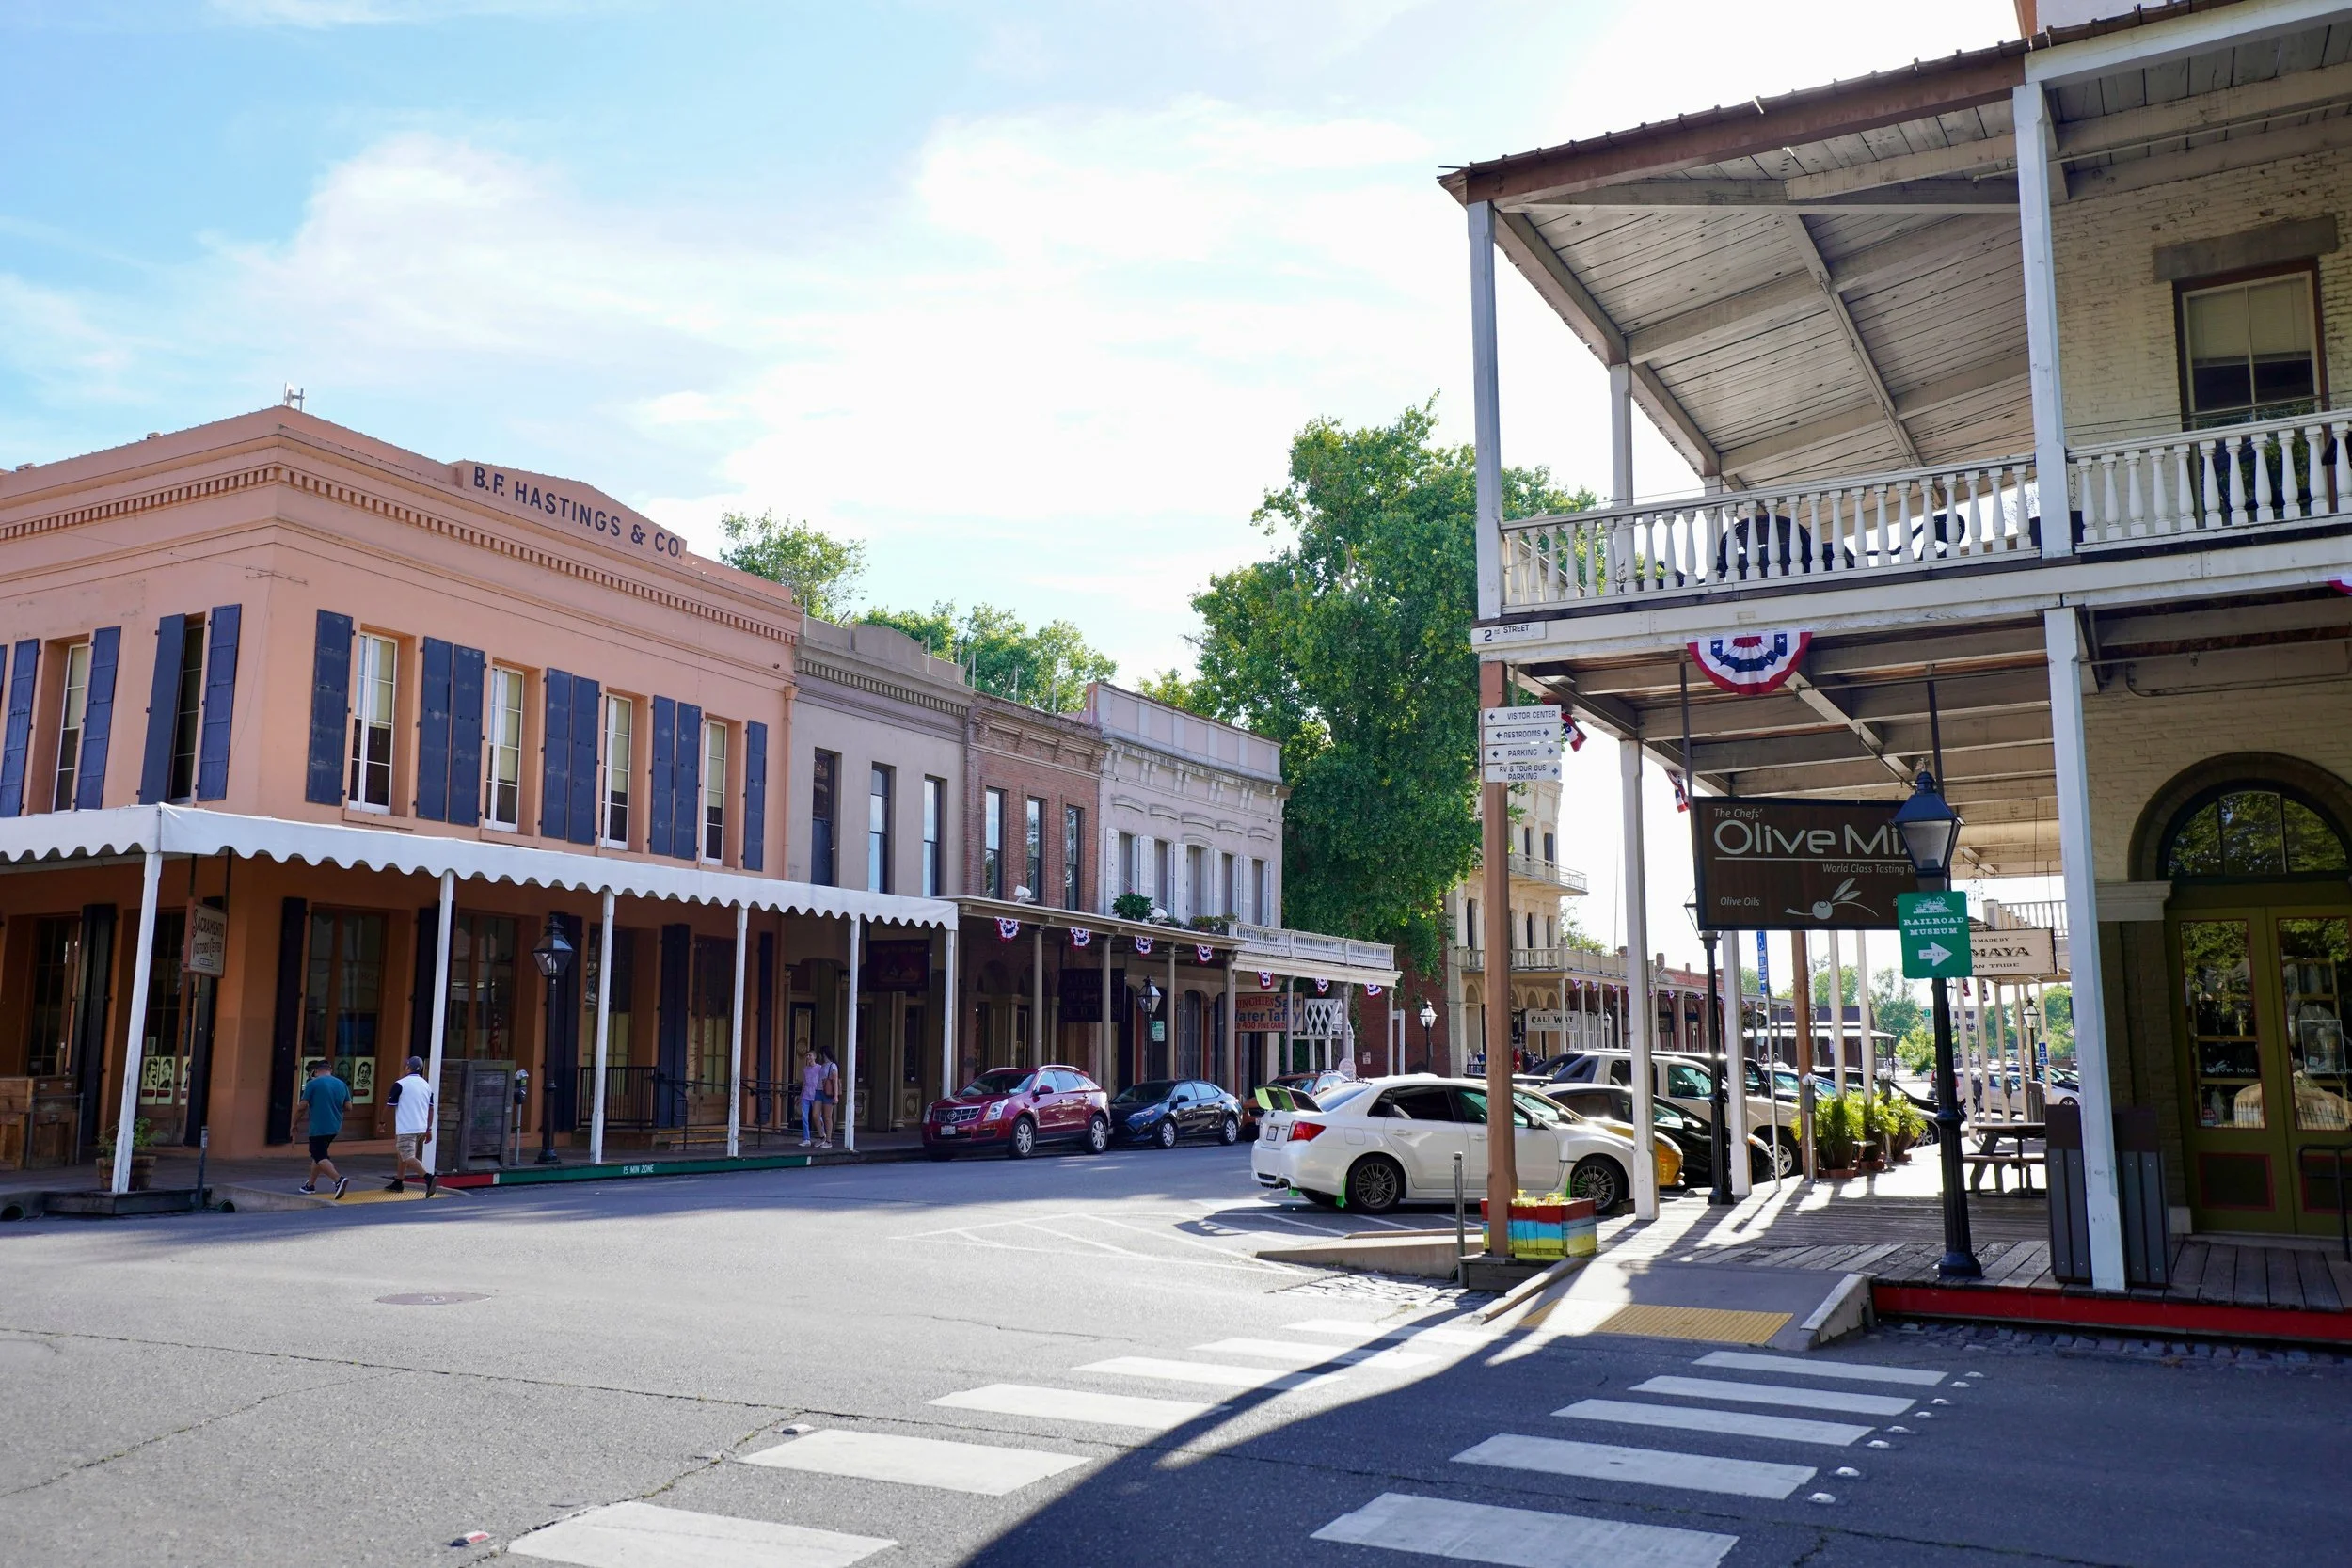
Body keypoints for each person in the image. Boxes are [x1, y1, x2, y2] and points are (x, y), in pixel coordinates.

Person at [296, 1059, 351, 1199]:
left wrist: (293, 1123)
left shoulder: (312, 1084)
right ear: (330, 1070)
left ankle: (338, 1179)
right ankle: (310, 1185)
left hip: (319, 1126)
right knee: (319, 1154)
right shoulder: (341, 1084)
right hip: (335, 1126)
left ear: (316, 1071)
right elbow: (349, 1107)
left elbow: (302, 1106)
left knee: (319, 1154)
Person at [384, 1055, 437, 1196]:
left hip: (406, 1127)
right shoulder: (426, 1085)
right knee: (403, 1154)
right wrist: (429, 1128)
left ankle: (428, 1178)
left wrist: (382, 1122)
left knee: (407, 1156)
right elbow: (431, 1109)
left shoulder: (400, 1084)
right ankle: (399, 1181)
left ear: (408, 1067)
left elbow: (389, 1106)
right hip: (421, 1127)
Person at [802, 1048, 839, 1148]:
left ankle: (828, 1140)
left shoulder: (832, 1065)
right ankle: (822, 1135)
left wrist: (835, 1096)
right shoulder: (822, 1066)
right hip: (818, 1091)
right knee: (815, 1115)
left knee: (827, 1116)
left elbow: (835, 1081)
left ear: (824, 1054)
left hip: (827, 1092)